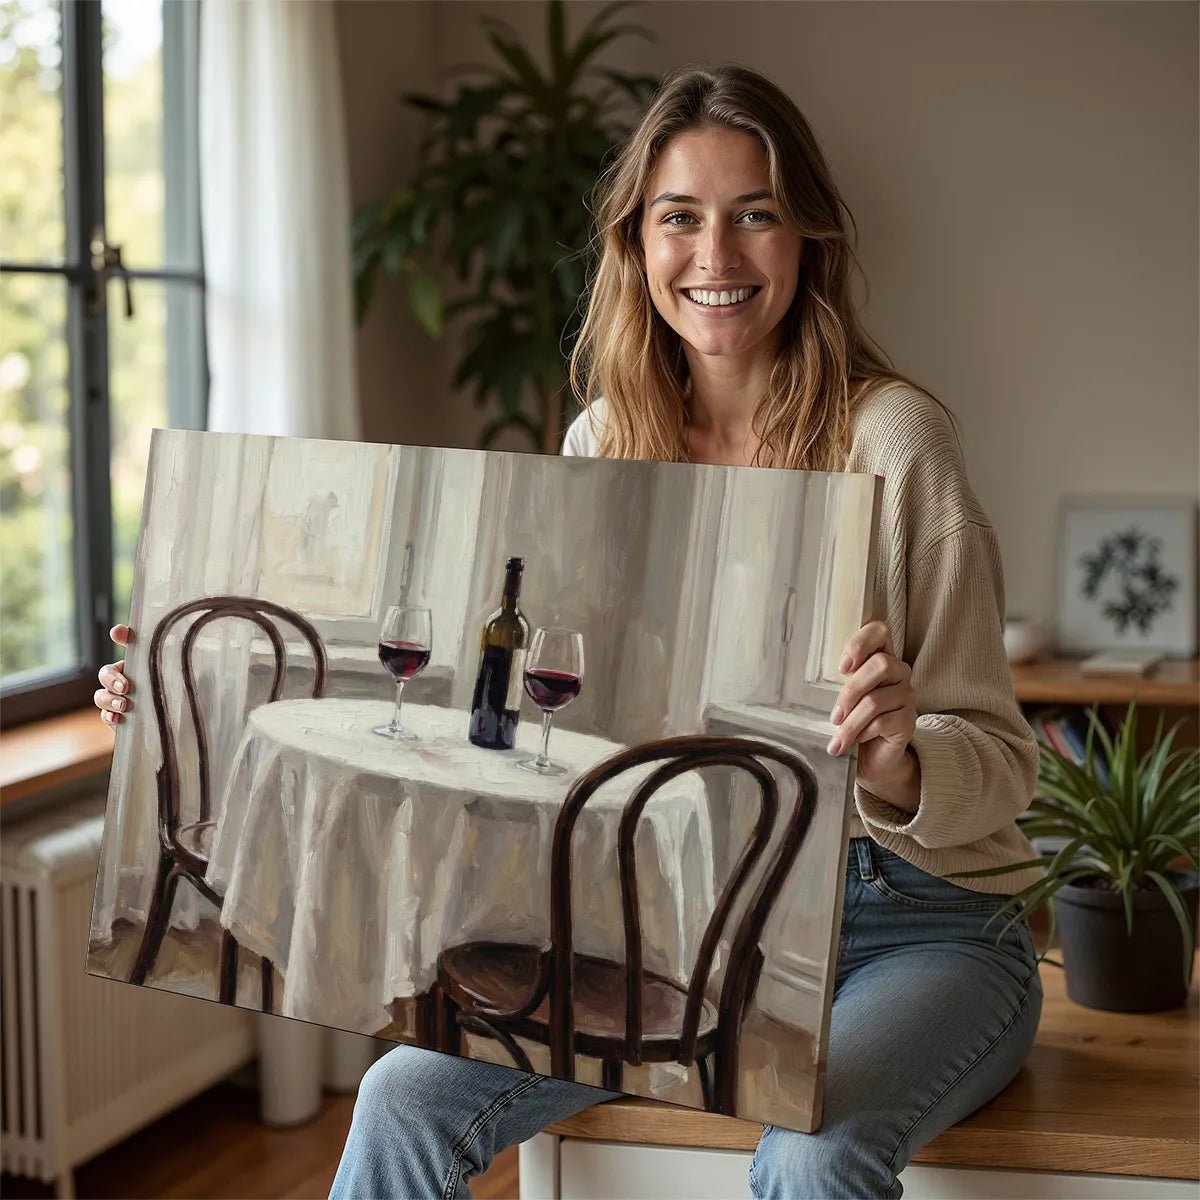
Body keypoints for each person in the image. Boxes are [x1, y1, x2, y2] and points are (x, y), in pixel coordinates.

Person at [94, 64, 1044, 1200]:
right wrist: (179, 701)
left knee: (815, 1159)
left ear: (808, 239)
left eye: (756, 216)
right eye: (679, 218)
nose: (718, 257)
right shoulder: (607, 440)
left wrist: (900, 759)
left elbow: (1005, 765)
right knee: (401, 1096)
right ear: (636, 244)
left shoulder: (896, 441)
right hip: (684, 930)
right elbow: (532, 707)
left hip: (923, 926)